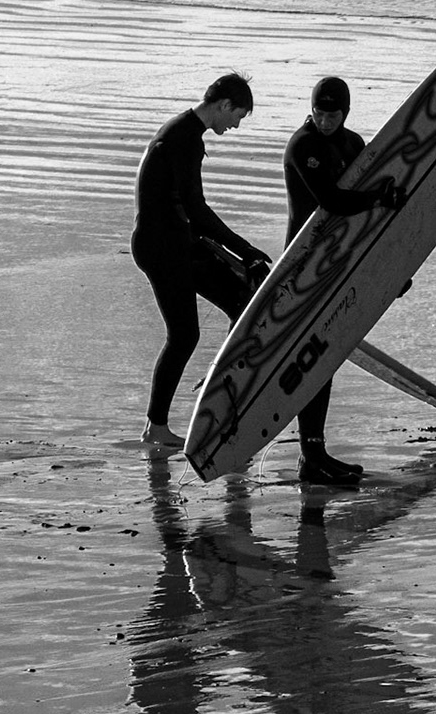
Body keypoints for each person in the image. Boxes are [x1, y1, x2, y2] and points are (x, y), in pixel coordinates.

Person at [131, 73, 273, 448]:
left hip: (176, 241)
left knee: (242, 301)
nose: (237, 125)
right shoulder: (184, 141)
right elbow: (197, 210)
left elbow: (186, 212)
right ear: (224, 105)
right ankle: (156, 427)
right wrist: (246, 251)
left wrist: (233, 254)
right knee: (184, 335)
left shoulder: (183, 132)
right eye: (238, 116)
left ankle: (223, 390)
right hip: (162, 248)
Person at [282, 75, 402, 486]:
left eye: (332, 114)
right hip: (305, 266)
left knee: (328, 357)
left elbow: (374, 202)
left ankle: (315, 453)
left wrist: (391, 268)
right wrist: (375, 198)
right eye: (319, 112)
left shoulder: (353, 144)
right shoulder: (303, 146)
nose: (325, 120)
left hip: (342, 259)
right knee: (314, 355)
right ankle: (310, 457)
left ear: (345, 112)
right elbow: (331, 200)